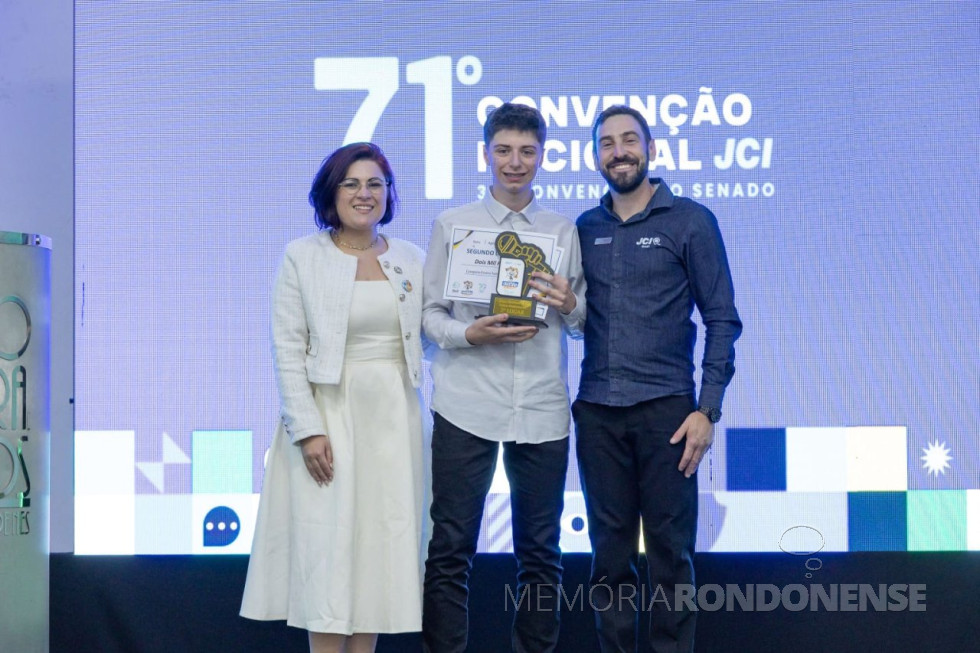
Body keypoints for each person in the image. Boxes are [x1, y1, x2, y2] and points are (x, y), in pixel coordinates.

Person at [241, 142, 427, 653]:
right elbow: (287, 348)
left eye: (375, 184)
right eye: (352, 183)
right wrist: (307, 430)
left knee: (377, 555)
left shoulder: (412, 258)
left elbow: (435, 331)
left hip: (395, 422)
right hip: (327, 419)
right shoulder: (302, 256)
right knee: (326, 553)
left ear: (389, 194)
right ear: (332, 193)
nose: (364, 194)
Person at [574, 105, 742, 652]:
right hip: (597, 414)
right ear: (595, 156)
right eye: (607, 143)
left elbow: (722, 320)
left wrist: (707, 409)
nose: (618, 151)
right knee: (609, 560)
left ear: (650, 149)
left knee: (671, 559)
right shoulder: (584, 229)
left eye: (629, 140)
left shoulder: (690, 221)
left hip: (668, 414)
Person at [421, 103, 586, 653]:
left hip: (541, 406)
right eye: (504, 150)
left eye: (527, 152)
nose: (515, 162)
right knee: (450, 548)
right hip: (464, 402)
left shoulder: (563, 231)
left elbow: (583, 323)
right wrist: (469, 334)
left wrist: (570, 303)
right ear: (486, 153)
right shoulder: (453, 226)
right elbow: (429, 316)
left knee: (541, 553)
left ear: (542, 156)